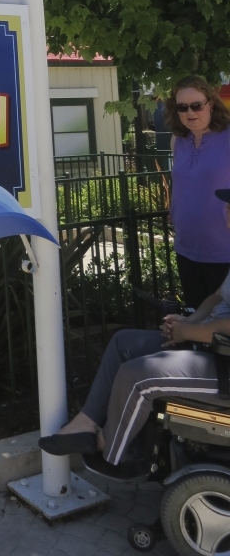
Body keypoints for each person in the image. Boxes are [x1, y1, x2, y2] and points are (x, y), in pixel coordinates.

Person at [39, 190, 230, 476]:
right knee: (123, 343)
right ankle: (86, 423)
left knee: (137, 374)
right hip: (209, 346)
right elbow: (217, 296)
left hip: (223, 364)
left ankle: (112, 451)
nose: (225, 211)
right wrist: (189, 319)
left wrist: (188, 332)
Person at [166, 75, 230, 309]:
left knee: (221, 331)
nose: (190, 112)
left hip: (224, 252)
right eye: (182, 107)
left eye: (196, 105)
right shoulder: (177, 140)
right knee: (196, 320)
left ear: (210, 103)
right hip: (187, 248)